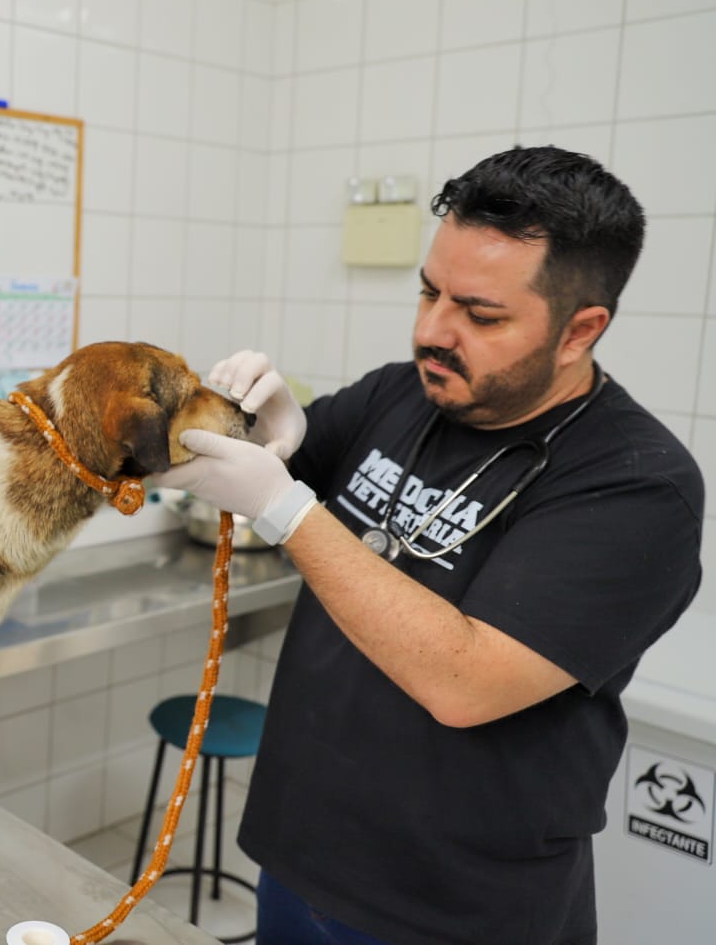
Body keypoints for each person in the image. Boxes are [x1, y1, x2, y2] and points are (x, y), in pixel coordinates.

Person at [158, 145, 703, 945]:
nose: (431, 332)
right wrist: (244, 423)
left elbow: (465, 681)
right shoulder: (402, 394)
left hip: (451, 908)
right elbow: (265, 467)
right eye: (428, 291)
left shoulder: (636, 484)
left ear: (580, 330)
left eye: (480, 315)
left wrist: (286, 509)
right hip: (299, 852)